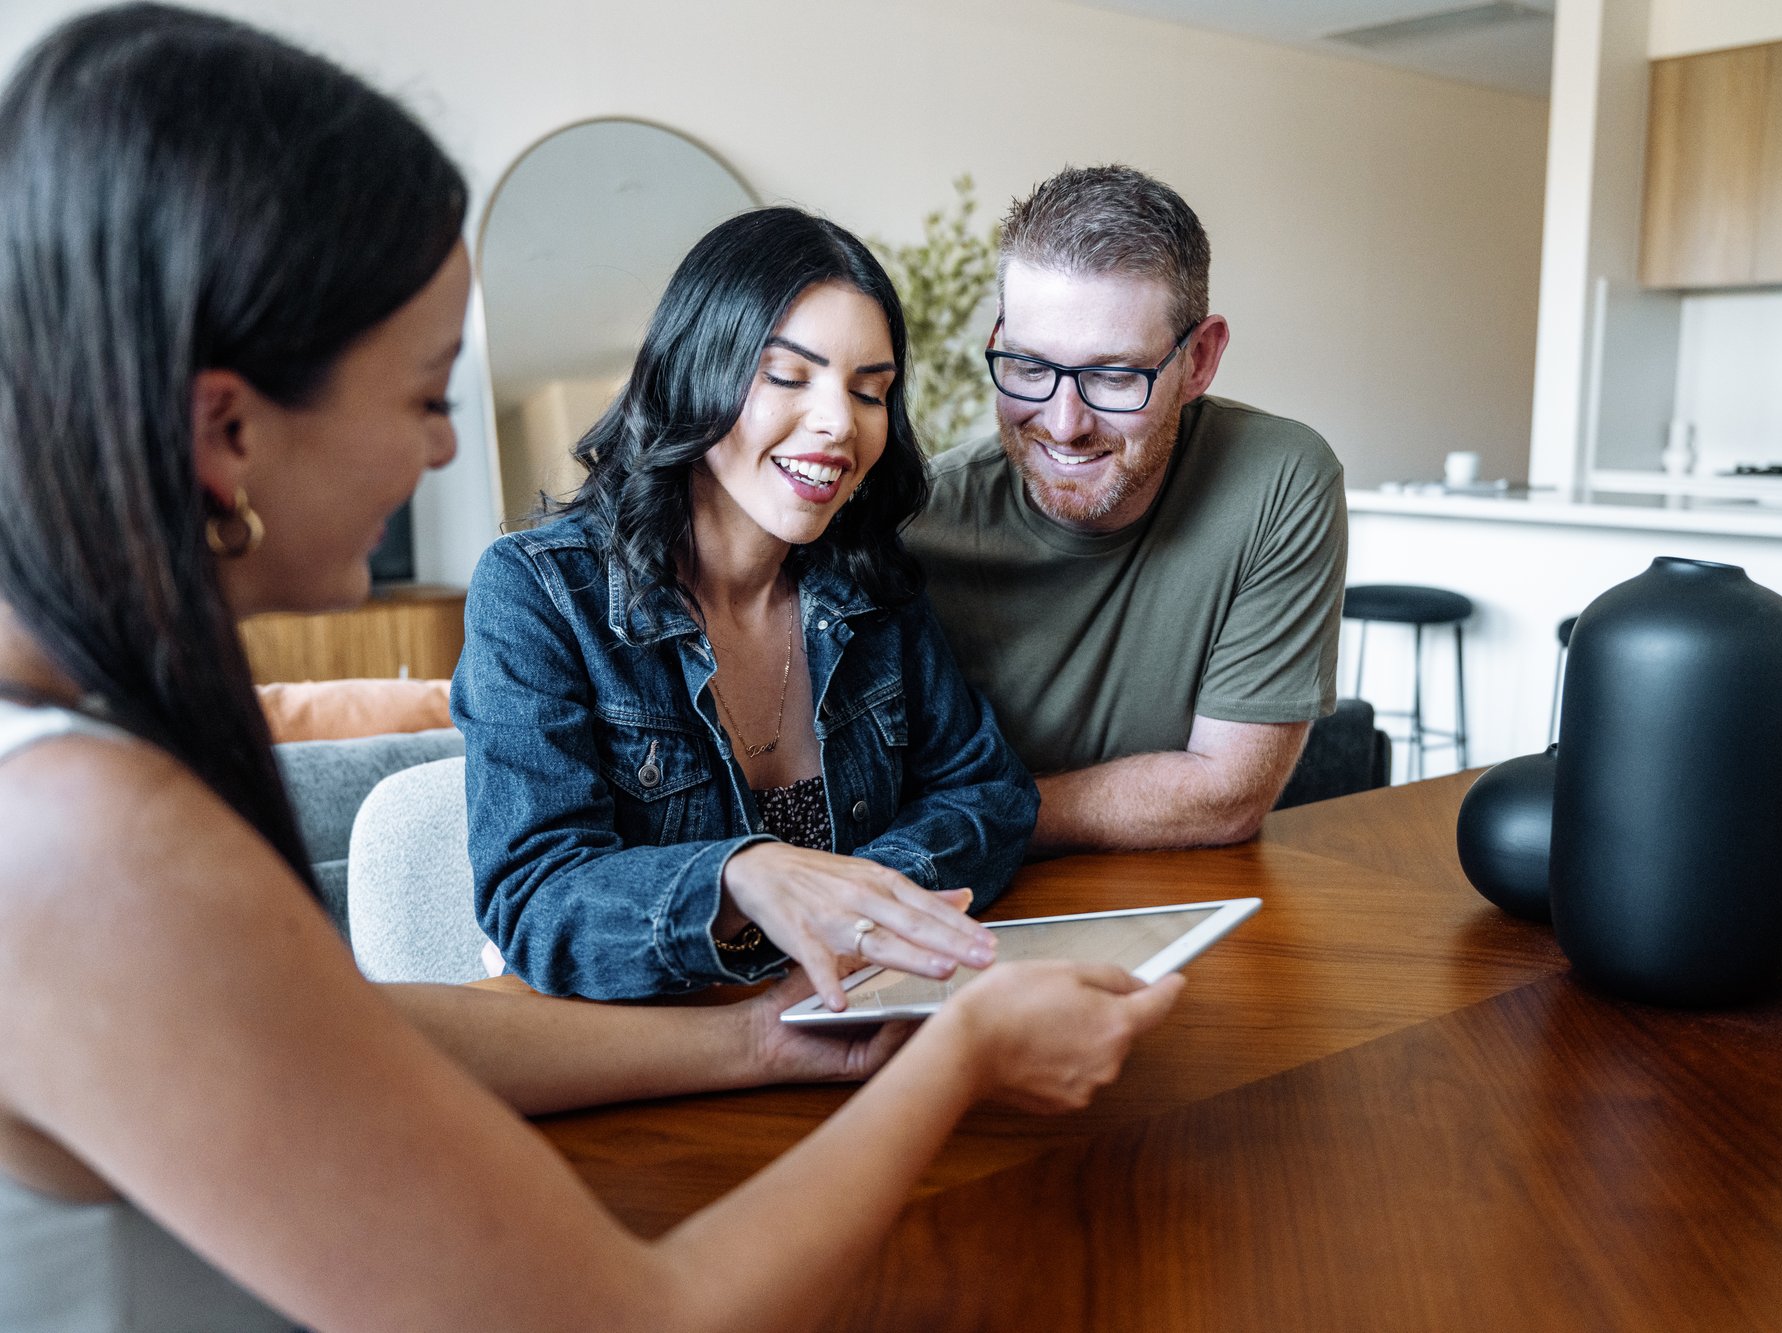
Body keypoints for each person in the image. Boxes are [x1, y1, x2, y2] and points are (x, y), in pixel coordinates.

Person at [0, 8, 1181, 1330]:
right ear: (226, 427)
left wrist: (769, 1029)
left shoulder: (85, 763)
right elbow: (636, 1313)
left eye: (869, 387)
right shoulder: (79, 838)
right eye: (429, 393)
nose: (445, 456)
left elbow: (355, 1027)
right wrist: (953, 1049)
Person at [454, 206, 1040, 1007]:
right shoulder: (540, 593)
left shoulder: (868, 586)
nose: (839, 424)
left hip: (844, 1019)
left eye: (871, 392)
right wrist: (742, 879)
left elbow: (991, 796)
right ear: (696, 372)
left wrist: (852, 899)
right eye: (789, 376)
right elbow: (536, 896)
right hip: (667, 1053)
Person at [905, 164, 1349, 855]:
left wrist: (969, 814)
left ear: (1199, 359)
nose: (1063, 421)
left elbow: (1227, 795)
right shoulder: (914, 521)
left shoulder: (1278, 481)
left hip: (1175, 908)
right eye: (1026, 365)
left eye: (1113, 376)